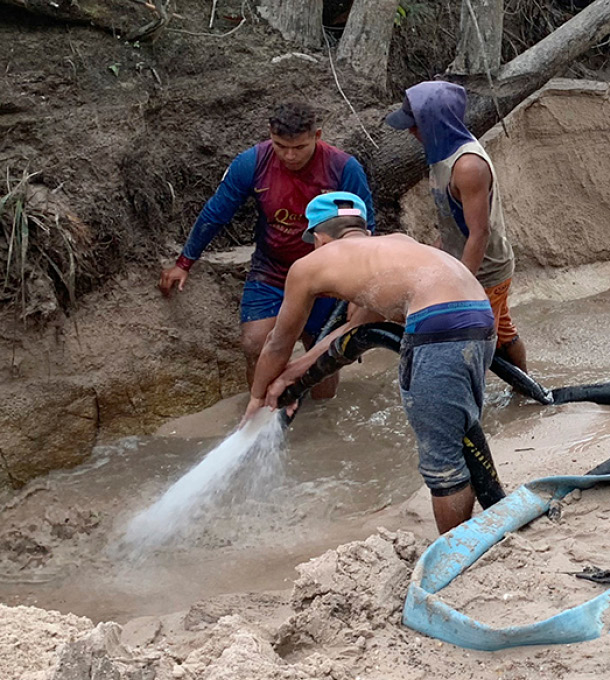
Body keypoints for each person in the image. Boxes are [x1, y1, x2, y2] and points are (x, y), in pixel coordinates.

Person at [245, 191, 497, 533]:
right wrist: (293, 378)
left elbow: (277, 343)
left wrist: (258, 399)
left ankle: (451, 555)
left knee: (443, 461)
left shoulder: (308, 267)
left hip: (436, 328)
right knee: (459, 430)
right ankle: (488, 518)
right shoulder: (396, 248)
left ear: (319, 238)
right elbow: (352, 332)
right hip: (480, 317)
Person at [158, 102, 375, 398]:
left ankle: (323, 420)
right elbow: (216, 213)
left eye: (299, 147)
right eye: (280, 146)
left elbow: (366, 229)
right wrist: (184, 262)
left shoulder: (342, 167)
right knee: (254, 344)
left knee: (324, 352)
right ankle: (261, 416)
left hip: (328, 278)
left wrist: (358, 292)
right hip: (272, 272)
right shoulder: (253, 163)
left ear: (318, 136)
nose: (289, 155)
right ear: (269, 136)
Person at [383, 81, 528, 372]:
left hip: (485, 270)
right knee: (501, 331)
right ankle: (527, 391)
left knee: (470, 343)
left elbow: (479, 233)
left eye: (416, 125)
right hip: (460, 261)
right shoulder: (440, 155)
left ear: (435, 122)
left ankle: (485, 401)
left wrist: (462, 290)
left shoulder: (468, 166)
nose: (411, 132)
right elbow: (452, 223)